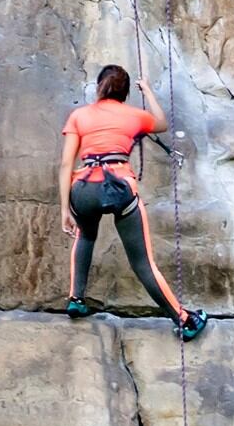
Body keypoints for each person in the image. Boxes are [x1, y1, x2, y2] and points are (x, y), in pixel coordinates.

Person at [62, 64, 202, 339]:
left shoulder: (79, 115)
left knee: (86, 235)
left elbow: (66, 163)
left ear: (99, 87)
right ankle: (185, 320)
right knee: (142, 262)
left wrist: (64, 208)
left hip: (84, 189)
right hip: (119, 186)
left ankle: (76, 299)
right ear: (125, 93)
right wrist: (147, 90)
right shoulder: (134, 115)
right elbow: (161, 123)